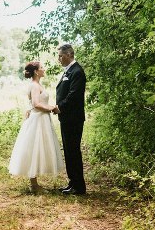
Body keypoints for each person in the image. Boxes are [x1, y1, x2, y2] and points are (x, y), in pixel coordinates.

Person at [8, 61, 65, 193]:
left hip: (41, 118)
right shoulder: (34, 85)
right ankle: (34, 185)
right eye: (41, 68)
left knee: (39, 148)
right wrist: (51, 108)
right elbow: (36, 104)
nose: (44, 69)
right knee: (34, 148)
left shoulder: (37, 84)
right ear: (36, 71)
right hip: (38, 119)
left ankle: (34, 183)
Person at [54, 43, 87, 195]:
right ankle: (72, 182)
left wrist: (60, 107)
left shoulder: (77, 71)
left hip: (73, 118)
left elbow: (73, 96)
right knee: (68, 150)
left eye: (61, 55)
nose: (59, 59)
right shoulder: (68, 71)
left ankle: (79, 187)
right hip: (66, 118)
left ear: (69, 55)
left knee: (73, 150)